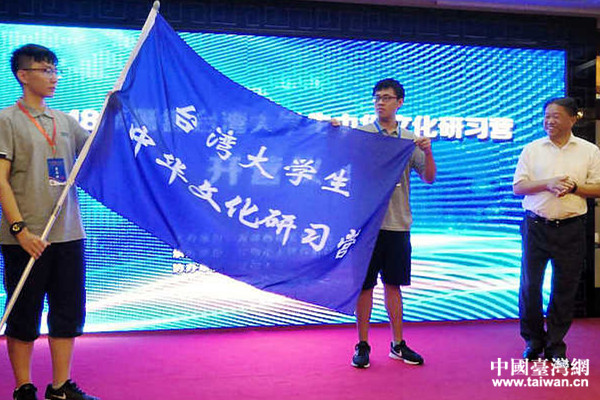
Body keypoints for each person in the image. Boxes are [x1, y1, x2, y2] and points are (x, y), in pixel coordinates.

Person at [0, 44, 99, 400]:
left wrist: (116, 111)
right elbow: (0, 180)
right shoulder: (6, 120)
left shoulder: (66, 122)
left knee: (67, 312)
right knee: (24, 315)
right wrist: (20, 230)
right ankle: (23, 387)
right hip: (26, 239)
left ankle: (60, 387)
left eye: (55, 70)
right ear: (23, 75)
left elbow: (96, 152)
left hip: (68, 233)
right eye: (45, 70)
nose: (53, 77)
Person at [348, 78, 436, 368]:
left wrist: (428, 151)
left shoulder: (410, 140)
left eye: (386, 98)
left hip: (398, 224)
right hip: (367, 226)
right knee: (365, 287)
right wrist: (334, 133)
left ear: (400, 102)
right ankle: (362, 344)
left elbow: (429, 177)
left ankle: (398, 344)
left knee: (393, 285)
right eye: (377, 98)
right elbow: (340, 162)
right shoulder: (362, 135)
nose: (380, 102)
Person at [513, 97, 600, 363]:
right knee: (530, 286)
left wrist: (574, 187)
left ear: (573, 118)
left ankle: (555, 346)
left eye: (556, 116)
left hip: (572, 228)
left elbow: (598, 187)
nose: (549, 121)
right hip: (536, 226)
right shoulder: (532, 149)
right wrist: (548, 183)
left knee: (565, 288)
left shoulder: (589, 151)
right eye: (546, 116)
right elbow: (519, 187)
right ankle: (533, 341)